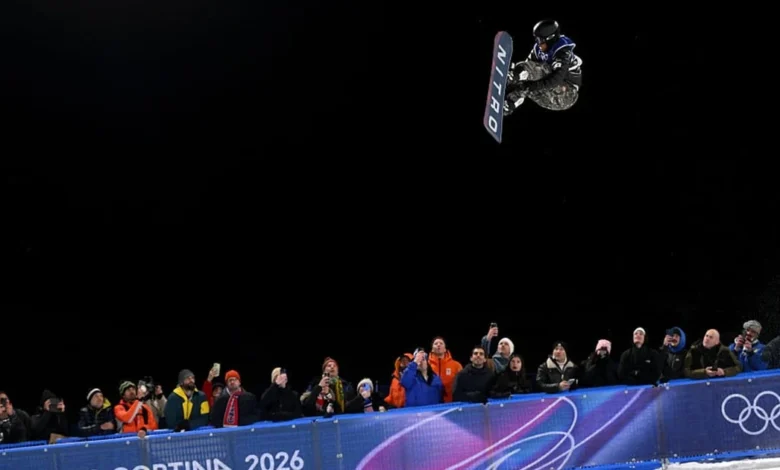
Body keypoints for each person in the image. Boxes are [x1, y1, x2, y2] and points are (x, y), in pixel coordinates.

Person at [504, 19, 583, 115]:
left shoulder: (562, 51)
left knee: (537, 73)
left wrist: (518, 77)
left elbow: (556, 79)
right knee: (525, 83)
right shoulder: (538, 49)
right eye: (536, 39)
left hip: (567, 93)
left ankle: (511, 77)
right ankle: (509, 104)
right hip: (551, 97)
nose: (538, 43)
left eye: (540, 40)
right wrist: (516, 81)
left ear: (550, 38)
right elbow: (527, 68)